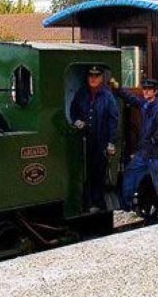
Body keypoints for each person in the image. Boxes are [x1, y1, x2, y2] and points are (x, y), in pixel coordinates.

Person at [110, 78, 158, 225]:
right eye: (144, 89)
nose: (145, 91)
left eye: (148, 89)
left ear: (155, 91)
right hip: (145, 152)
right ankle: (126, 203)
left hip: (156, 154)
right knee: (130, 173)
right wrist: (118, 88)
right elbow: (133, 100)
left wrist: (154, 140)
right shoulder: (147, 104)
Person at [69, 66, 119, 213]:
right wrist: (76, 120)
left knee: (98, 171)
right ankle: (85, 202)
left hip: (101, 139)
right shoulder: (82, 93)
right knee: (85, 171)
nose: (93, 78)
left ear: (101, 78)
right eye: (91, 75)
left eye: (96, 76)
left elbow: (113, 120)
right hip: (84, 138)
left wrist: (111, 142)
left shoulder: (107, 96)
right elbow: (73, 110)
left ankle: (98, 203)